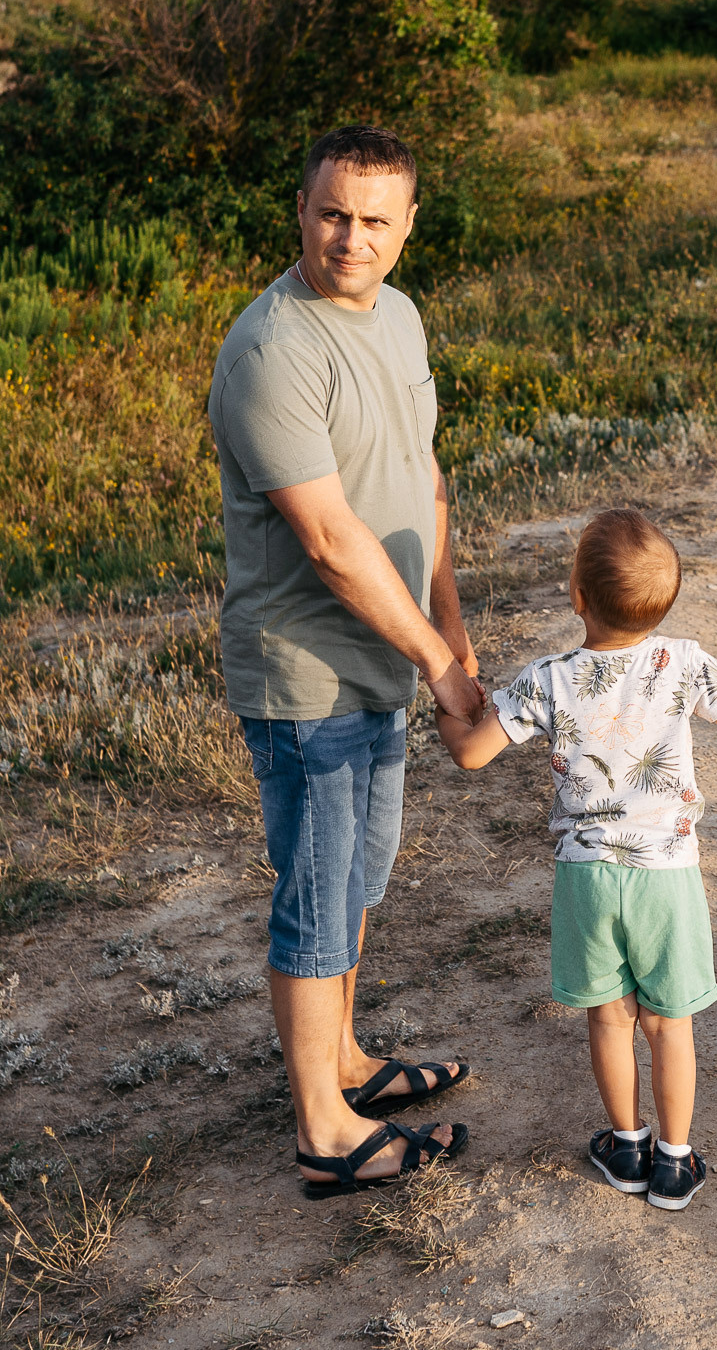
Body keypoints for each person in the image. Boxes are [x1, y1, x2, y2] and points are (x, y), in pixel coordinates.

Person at [208, 124, 485, 1197]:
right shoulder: (273, 347)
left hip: (385, 659)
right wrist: (439, 665)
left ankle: (348, 1060)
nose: (351, 237)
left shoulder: (400, 317)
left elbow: (422, 480)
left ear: (409, 225)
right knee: (319, 892)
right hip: (306, 672)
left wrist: (449, 630)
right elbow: (327, 542)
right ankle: (324, 1128)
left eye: (375, 218)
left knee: (357, 877)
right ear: (300, 208)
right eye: (333, 213)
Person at [433, 508, 717, 1210]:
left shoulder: (548, 677)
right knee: (669, 1024)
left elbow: (470, 751)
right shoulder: (685, 662)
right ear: (668, 602)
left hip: (587, 879)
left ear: (576, 596)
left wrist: (447, 700)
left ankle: (625, 1144)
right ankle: (673, 1161)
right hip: (667, 878)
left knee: (610, 1018)